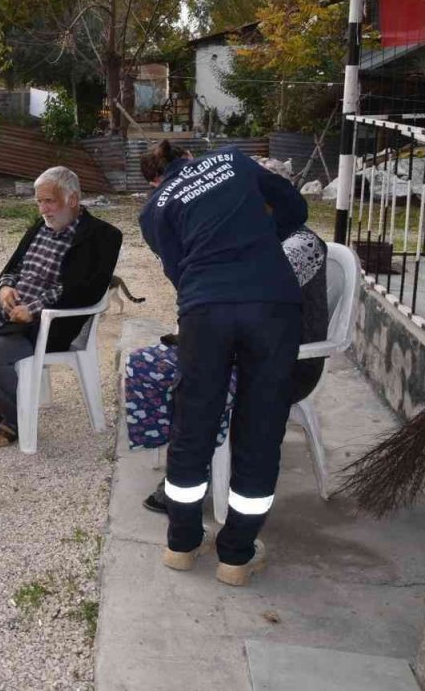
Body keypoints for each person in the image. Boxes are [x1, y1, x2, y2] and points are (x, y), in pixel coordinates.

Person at [139, 140, 309, 586]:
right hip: (271, 303)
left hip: (205, 310)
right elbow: (295, 207)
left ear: (157, 178)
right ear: (188, 157)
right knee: (261, 425)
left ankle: (181, 544)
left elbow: (177, 269)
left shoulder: (154, 208)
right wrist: (259, 242)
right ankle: (236, 556)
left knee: (192, 423)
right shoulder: (231, 158)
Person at [0, 166, 122, 446]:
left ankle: (16, 420)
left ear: (72, 199)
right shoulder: (39, 228)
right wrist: (4, 287)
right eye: (39, 202)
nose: (43, 209)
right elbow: (12, 268)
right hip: (7, 316)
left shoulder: (102, 236)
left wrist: (34, 309)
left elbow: (84, 288)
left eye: (49, 201)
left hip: (48, 325)